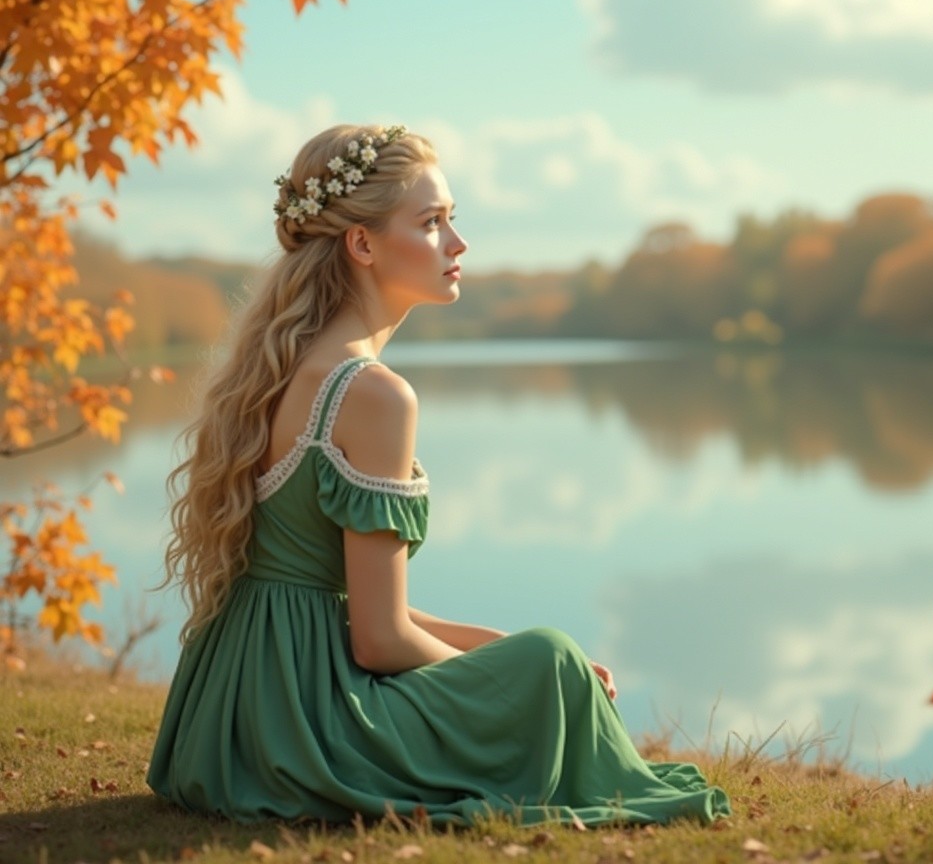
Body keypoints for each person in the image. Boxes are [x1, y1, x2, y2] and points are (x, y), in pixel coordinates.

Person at [147, 123, 730, 826]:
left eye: (452, 219)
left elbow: (336, 601)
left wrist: (495, 651)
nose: (458, 243)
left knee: (540, 655)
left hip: (227, 723)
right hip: (311, 730)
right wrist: (527, 677)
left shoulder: (279, 366)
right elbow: (379, 641)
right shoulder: (372, 394)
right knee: (553, 660)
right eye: (431, 222)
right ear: (362, 245)